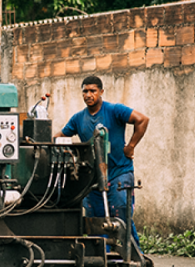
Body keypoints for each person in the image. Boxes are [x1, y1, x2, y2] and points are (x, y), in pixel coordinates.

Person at [60, 76, 149, 243]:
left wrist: (130, 146)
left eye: (93, 91)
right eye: (85, 91)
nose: (88, 94)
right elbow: (59, 137)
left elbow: (142, 120)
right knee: (96, 221)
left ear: (101, 92)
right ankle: (103, 258)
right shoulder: (78, 119)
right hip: (92, 178)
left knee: (121, 217)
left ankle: (134, 256)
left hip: (119, 173)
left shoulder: (115, 110)